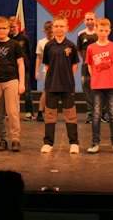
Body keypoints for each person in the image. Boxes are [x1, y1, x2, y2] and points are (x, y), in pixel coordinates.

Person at [40, 15, 80, 154]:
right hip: (51, 85)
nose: (59, 28)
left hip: (67, 86)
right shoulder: (48, 46)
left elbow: (74, 65)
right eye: (56, 26)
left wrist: (67, 77)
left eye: (62, 26)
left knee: (70, 115)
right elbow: (47, 65)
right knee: (50, 116)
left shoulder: (71, 46)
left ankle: (74, 143)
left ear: (67, 28)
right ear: (52, 28)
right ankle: (48, 143)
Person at [85, 18, 113, 154]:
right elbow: (90, 66)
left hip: (111, 85)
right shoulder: (91, 48)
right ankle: (95, 143)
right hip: (97, 86)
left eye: (105, 31)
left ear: (109, 31)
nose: (103, 33)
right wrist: (97, 77)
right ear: (96, 30)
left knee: (112, 114)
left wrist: (111, 77)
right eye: (101, 30)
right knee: (96, 115)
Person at [0, 16, 25, 152]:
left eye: (4, 28)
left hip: (11, 80)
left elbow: (20, 64)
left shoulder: (15, 45)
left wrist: (21, 83)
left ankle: (15, 139)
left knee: (13, 112)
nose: (1, 31)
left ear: (9, 29)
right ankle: (3, 139)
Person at [9, 16, 34, 121]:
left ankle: (29, 113)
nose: (12, 29)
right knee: (11, 93)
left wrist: (25, 63)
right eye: (10, 27)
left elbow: (29, 52)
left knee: (27, 92)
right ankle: (10, 112)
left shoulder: (24, 38)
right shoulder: (8, 38)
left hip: (24, 68)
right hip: (12, 69)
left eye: (14, 26)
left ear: (18, 26)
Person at [77, 11, 99, 123]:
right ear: (84, 21)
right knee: (86, 88)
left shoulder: (99, 33)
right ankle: (90, 113)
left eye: (92, 19)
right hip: (85, 67)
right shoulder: (81, 34)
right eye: (87, 19)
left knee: (100, 89)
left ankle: (102, 113)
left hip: (99, 66)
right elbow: (79, 50)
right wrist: (86, 60)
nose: (90, 21)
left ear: (96, 20)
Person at [33, 20, 53, 122]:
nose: (51, 34)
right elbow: (39, 58)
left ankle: (52, 113)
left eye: (52, 32)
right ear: (44, 31)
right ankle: (40, 112)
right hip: (47, 70)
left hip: (58, 70)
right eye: (48, 32)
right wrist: (36, 71)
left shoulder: (58, 41)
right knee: (46, 91)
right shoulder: (41, 42)